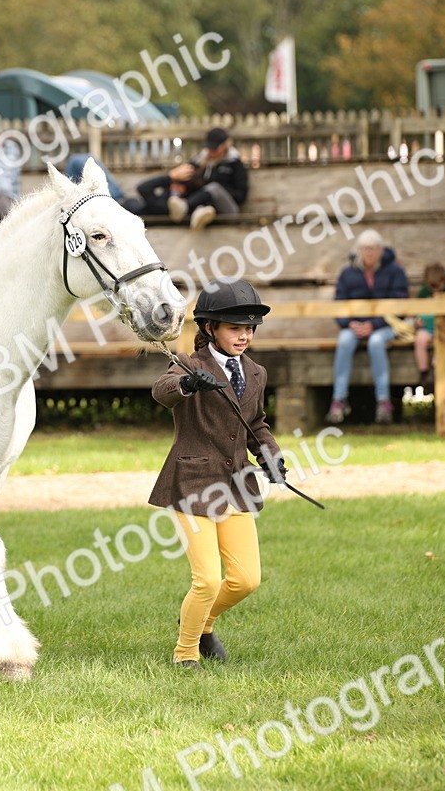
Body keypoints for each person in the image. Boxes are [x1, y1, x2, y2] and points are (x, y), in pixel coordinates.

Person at [149, 279, 285, 669]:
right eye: (235, 328)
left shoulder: (255, 372)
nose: (244, 336)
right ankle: (185, 652)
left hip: (237, 486)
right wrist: (188, 385)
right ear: (209, 328)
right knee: (207, 580)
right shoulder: (188, 365)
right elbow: (163, 390)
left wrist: (271, 458)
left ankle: (203, 622)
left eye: (249, 329)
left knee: (246, 580)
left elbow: (256, 423)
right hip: (191, 484)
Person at [326, 229, 409, 425]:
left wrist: (375, 324)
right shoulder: (348, 273)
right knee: (344, 340)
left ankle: (383, 402)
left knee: (376, 342)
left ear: (381, 250)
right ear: (359, 250)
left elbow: (401, 305)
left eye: (373, 248)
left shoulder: (395, 271)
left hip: (386, 325)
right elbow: (339, 304)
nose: (369, 253)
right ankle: (338, 401)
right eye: (365, 249)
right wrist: (350, 323)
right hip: (355, 325)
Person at [134, 127, 249, 230]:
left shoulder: (235, 164)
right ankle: (199, 214)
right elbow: (185, 180)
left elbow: (241, 196)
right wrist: (174, 177)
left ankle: (186, 207)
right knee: (204, 206)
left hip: (227, 208)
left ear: (224, 146)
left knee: (213, 188)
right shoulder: (199, 161)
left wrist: (209, 191)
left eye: (214, 148)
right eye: (209, 148)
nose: (211, 152)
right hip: (202, 206)